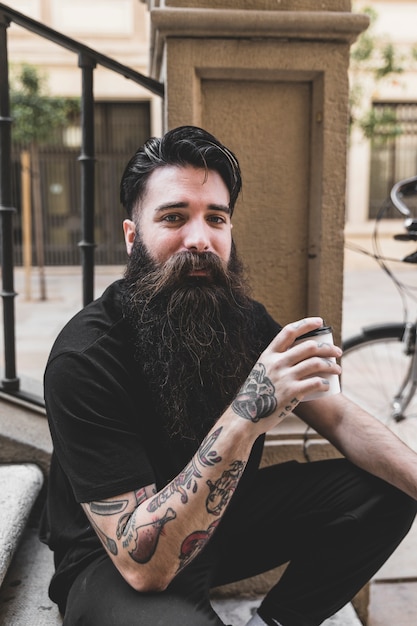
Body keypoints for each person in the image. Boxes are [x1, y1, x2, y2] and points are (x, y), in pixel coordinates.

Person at [41, 125, 417, 626]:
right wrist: (249, 413)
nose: (199, 238)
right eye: (174, 217)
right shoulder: (84, 358)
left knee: (388, 489)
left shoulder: (242, 318)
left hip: (219, 522)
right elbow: (141, 565)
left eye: (215, 218)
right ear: (133, 237)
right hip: (113, 559)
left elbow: (341, 420)